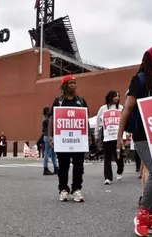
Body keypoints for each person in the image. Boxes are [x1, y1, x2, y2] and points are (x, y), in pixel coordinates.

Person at [117, 46, 152, 237]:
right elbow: (128, 108)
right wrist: (120, 136)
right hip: (143, 134)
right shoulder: (139, 80)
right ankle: (141, 216)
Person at [48, 74, 88, 202]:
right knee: (63, 166)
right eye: (71, 83)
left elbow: (85, 119)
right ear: (65, 85)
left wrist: (89, 136)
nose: (73, 85)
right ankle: (63, 189)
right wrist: (50, 135)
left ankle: (76, 189)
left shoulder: (81, 101)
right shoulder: (58, 101)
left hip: (78, 140)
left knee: (78, 166)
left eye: (74, 83)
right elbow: (52, 119)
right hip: (62, 139)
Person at [95, 90, 125, 185]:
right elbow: (98, 122)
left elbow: (125, 120)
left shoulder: (121, 108)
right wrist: (96, 134)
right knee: (107, 158)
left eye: (118, 96)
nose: (117, 98)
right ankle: (108, 178)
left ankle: (120, 170)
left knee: (119, 157)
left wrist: (126, 133)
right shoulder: (103, 109)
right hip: (106, 136)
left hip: (118, 136)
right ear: (110, 97)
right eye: (115, 96)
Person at [42, 107, 58, 175]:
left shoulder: (47, 119)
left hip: (50, 137)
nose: (50, 112)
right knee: (47, 153)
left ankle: (56, 168)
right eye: (49, 111)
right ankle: (45, 168)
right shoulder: (46, 120)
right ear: (46, 112)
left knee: (53, 154)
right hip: (48, 137)